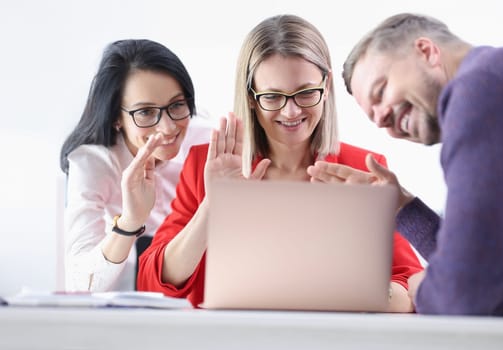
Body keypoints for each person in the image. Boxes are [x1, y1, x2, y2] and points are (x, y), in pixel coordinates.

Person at [138, 14, 423, 312]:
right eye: (273, 96)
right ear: (250, 97)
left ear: (326, 88)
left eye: (305, 93)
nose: (290, 112)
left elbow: (413, 289)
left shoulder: (362, 168)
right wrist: (213, 206)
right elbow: (152, 285)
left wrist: (360, 290)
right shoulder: (206, 165)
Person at [307, 13, 503, 317]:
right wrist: (401, 207)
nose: (381, 119)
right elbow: (486, 260)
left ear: (426, 51)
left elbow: (464, 294)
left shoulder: (482, 91)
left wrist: (421, 288)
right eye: (374, 118)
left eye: (380, 92)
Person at [60, 39, 212, 292]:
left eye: (177, 105)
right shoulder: (94, 163)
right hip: (123, 304)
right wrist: (130, 221)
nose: (168, 127)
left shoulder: (206, 140)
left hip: (195, 293)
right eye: (145, 112)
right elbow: (80, 286)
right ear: (116, 117)